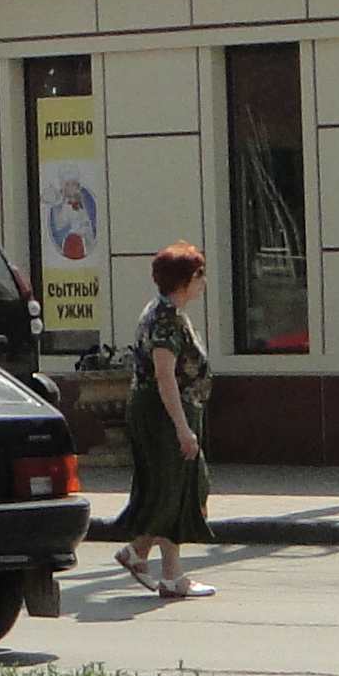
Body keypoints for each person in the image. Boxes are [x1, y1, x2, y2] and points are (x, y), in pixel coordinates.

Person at [111, 241, 217, 600]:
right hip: (164, 415)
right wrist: (182, 428)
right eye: (200, 275)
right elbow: (164, 376)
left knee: (180, 488)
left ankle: (162, 568)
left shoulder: (167, 312)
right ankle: (147, 557)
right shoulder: (166, 319)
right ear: (184, 280)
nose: (204, 282)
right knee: (177, 488)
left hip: (171, 411)